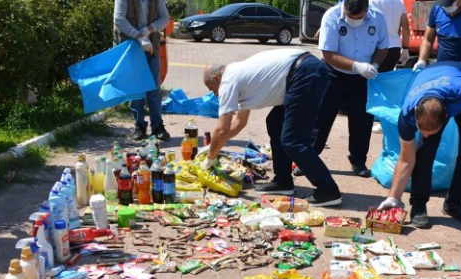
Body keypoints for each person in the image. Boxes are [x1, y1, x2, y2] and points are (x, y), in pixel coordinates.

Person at [377, 62, 461, 228]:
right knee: (425, 150)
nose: (425, 134)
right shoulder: (407, 116)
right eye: (422, 130)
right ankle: (419, 205)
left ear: (446, 116)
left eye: (432, 131)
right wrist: (393, 197)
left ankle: (454, 203)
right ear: (416, 112)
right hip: (433, 80)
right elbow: (406, 159)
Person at [202, 49, 342, 206]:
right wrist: (214, 148)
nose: (215, 95)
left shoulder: (228, 81)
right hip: (304, 72)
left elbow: (222, 129)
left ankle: (328, 190)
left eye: (212, 89)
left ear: (216, 78)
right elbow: (238, 123)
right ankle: (283, 181)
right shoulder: (237, 74)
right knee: (275, 122)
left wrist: (210, 158)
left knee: (293, 140)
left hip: (305, 73)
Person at [312, 0, 390, 180]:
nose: (355, 20)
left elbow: (382, 46)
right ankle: (308, 158)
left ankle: (358, 161)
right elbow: (328, 54)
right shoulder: (331, 16)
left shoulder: (377, 18)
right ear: (344, 7)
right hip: (333, 74)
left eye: (359, 17)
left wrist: (375, 64)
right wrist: (356, 66)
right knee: (320, 119)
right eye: (350, 17)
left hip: (363, 78)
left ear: (367, 9)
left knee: (362, 122)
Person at [113, 0, 171, 141]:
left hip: (152, 47)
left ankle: (157, 127)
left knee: (154, 89)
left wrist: (148, 29)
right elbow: (119, 19)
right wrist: (139, 36)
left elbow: (165, 18)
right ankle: (139, 126)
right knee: (136, 90)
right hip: (131, 48)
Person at [413, 0, 461, 70]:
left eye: (448, 5)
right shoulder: (437, 9)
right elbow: (428, 39)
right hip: (442, 69)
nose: (445, 7)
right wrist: (421, 60)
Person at [370, 0, 410, 72]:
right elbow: (405, 27)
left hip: (379, 49)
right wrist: (405, 48)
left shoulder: (373, 1)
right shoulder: (400, 2)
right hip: (395, 47)